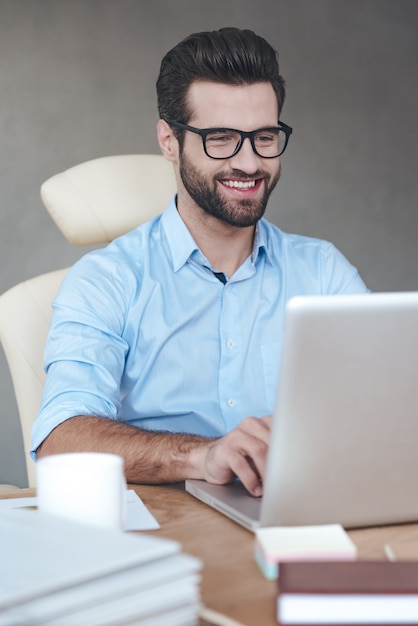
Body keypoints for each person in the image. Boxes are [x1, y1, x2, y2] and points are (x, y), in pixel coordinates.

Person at [31, 27, 368, 496]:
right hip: (163, 535)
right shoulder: (107, 280)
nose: (249, 164)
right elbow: (60, 441)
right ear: (169, 141)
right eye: (222, 138)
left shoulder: (324, 273)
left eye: (264, 137)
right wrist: (203, 455)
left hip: (293, 516)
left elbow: (383, 411)